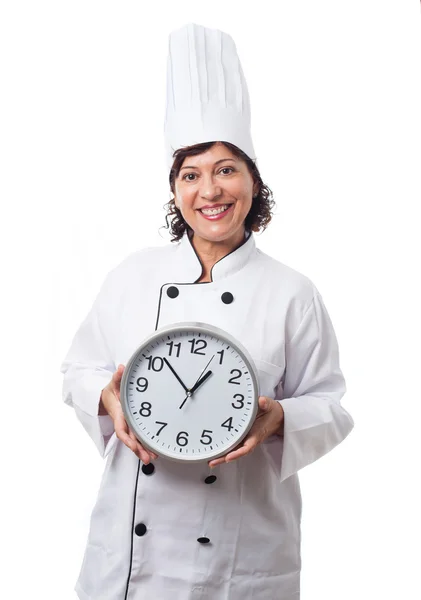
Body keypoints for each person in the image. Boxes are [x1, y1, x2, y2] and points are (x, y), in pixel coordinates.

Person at [60, 23, 354, 600]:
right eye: (191, 175)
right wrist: (108, 398)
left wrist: (280, 420)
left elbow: (332, 407)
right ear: (176, 192)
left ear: (251, 182)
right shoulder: (132, 276)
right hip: (128, 560)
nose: (209, 190)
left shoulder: (292, 292)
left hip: (237, 560)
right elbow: (77, 370)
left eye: (225, 169)